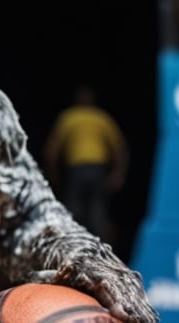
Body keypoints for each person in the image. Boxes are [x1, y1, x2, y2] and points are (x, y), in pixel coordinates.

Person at [43, 83, 129, 243]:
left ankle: (78, 249)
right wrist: (118, 174)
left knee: (80, 212)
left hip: (80, 169)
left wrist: (52, 173)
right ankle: (96, 250)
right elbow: (120, 149)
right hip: (92, 169)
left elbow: (52, 150)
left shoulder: (69, 117)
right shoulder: (101, 117)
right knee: (94, 212)